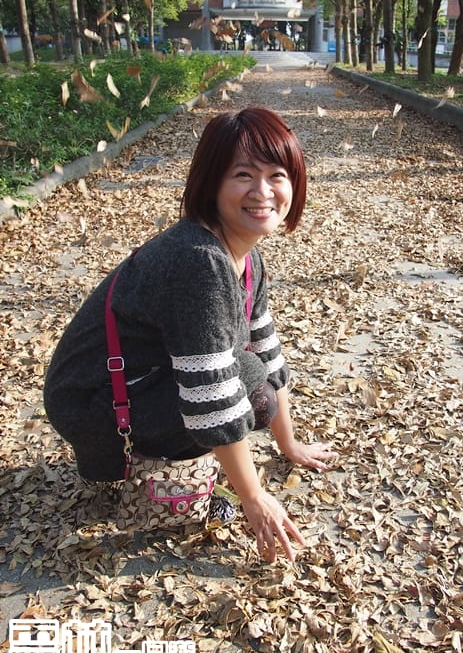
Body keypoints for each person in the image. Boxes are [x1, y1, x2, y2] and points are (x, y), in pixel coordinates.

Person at [44, 106, 335, 563]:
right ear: (212, 184)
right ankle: (151, 471)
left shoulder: (245, 256)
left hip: (127, 389)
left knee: (257, 377)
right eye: (243, 174)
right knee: (246, 387)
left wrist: (288, 444)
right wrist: (253, 497)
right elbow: (212, 394)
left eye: (277, 175)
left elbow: (268, 351)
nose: (263, 192)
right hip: (92, 407)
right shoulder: (197, 261)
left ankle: (173, 453)